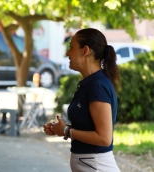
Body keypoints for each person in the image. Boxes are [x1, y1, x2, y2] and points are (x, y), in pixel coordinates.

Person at [43, 28, 121, 172]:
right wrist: (61, 129)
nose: (67, 53)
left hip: (96, 165)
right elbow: (88, 128)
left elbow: (104, 138)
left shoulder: (97, 86)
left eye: (71, 47)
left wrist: (67, 130)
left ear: (85, 50)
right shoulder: (91, 82)